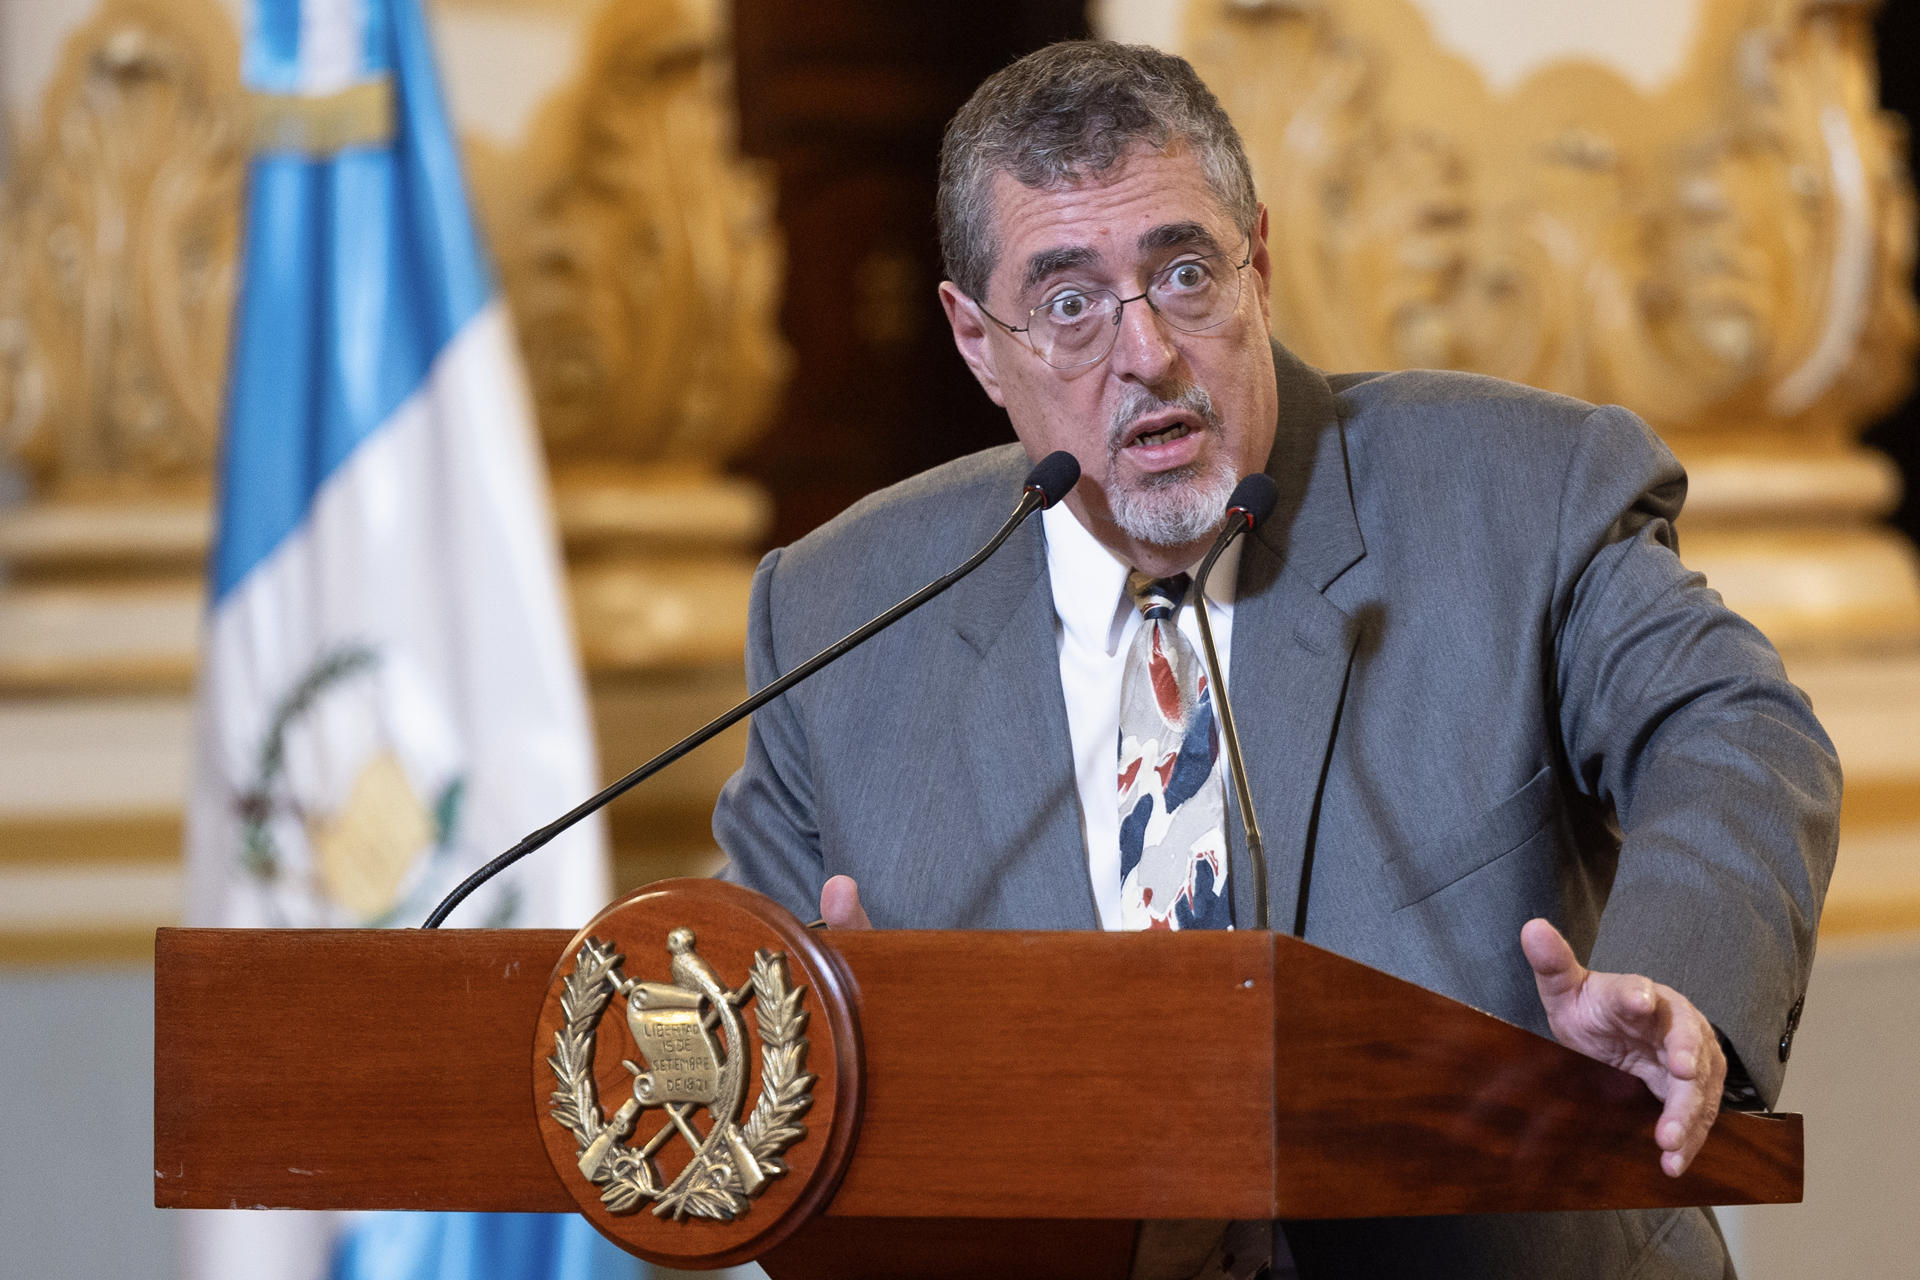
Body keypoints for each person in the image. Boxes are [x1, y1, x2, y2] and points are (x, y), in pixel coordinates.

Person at [714, 40, 1837, 1279]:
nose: (1144, 352)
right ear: (978, 340)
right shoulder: (840, 616)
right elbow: (760, 1037)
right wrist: (857, 1063)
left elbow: (1730, 725)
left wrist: (1675, 982)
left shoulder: (1522, 497)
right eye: (1070, 303)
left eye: (1184, 271)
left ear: (1262, 261)